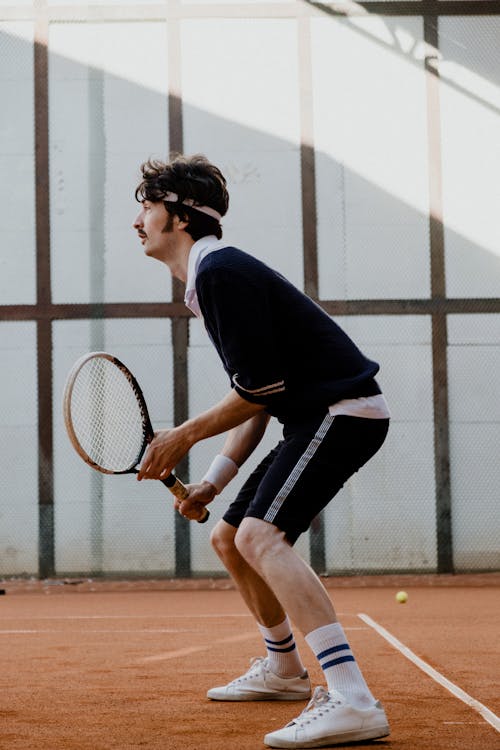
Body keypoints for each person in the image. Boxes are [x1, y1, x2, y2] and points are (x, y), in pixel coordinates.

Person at [133, 153, 391, 748]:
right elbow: (258, 396)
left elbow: (258, 390)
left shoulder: (221, 273)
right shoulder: (209, 278)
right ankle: (282, 670)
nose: (138, 220)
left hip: (343, 412)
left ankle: (353, 699)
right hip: (311, 416)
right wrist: (213, 484)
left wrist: (182, 436)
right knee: (230, 536)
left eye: (147, 205)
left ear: (179, 217)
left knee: (260, 537)